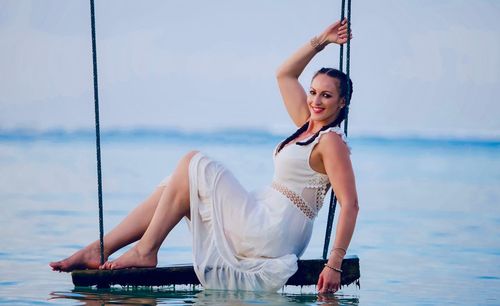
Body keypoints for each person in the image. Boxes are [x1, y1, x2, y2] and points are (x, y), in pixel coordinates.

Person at [50, 18, 358, 294]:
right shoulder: (307, 126)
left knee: (193, 162)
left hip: (272, 229)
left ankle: (145, 251)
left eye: (327, 95)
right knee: (176, 182)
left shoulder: (331, 142)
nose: (316, 100)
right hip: (266, 220)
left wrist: (334, 263)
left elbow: (350, 205)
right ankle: (100, 248)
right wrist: (321, 40)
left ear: (342, 102)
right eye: (313, 92)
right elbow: (284, 74)